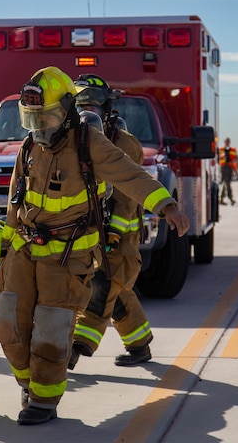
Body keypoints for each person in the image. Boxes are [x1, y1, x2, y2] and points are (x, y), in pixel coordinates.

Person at [0, 66, 190, 426]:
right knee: (9, 328)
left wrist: (166, 204)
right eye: (32, 118)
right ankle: (29, 385)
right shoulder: (29, 145)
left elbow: (130, 174)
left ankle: (43, 402)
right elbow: (13, 201)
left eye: (47, 117)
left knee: (51, 332)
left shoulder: (89, 143)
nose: (40, 127)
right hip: (24, 251)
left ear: (67, 110)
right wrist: (5, 250)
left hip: (67, 257)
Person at [67, 74, 153, 371]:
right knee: (116, 294)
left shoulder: (124, 144)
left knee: (102, 288)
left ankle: (75, 348)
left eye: (92, 105)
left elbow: (128, 196)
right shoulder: (71, 138)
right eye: (81, 104)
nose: (85, 111)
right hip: (88, 232)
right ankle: (140, 345)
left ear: (106, 109)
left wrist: (114, 232)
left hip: (118, 236)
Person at [218, 137, 237, 205]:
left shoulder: (233, 150)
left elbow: (234, 159)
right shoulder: (221, 149)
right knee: (227, 183)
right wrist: (224, 156)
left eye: (228, 141)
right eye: (226, 141)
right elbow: (219, 158)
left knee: (226, 183)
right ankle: (230, 197)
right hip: (224, 167)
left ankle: (222, 198)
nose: (227, 142)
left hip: (229, 167)